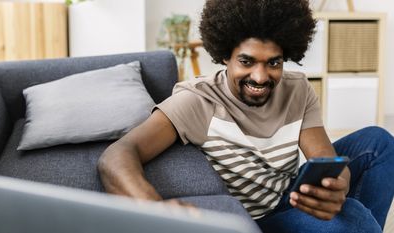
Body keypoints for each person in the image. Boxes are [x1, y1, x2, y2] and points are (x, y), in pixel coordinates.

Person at [98, 0, 394, 232]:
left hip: (287, 196)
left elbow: (325, 159)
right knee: (353, 217)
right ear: (225, 55)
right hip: (252, 221)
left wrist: (336, 185)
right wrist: (154, 209)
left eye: (273, 63)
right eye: (246, 61)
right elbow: (118, 155)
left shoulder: (298, 89)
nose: (261, 76)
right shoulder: (196, 101)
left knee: (380, 142)